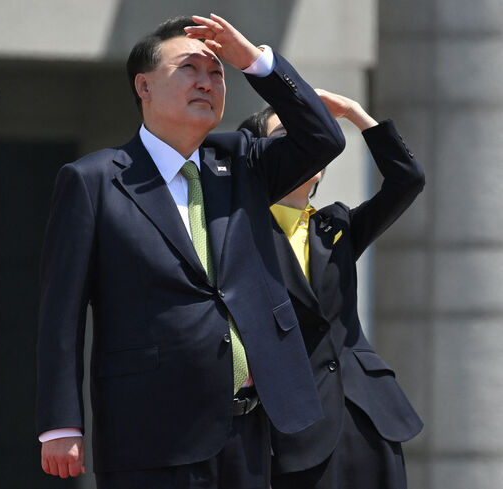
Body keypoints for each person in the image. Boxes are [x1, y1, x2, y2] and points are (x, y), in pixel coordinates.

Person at [36, 13, 345, 489]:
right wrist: (61, 423)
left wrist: (254, 61)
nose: (206, 82)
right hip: (150, 432)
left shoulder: (244, 162)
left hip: (249, 429)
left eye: (216, 73)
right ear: (144, 86)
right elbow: (62, 311)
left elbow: (324, 137)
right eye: (189, 70)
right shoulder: (93, 180)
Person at [237, 91, 424, 489]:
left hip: (370, 416)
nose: (304, 142)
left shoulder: (335, 225)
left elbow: (407, 179)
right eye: (287, 133)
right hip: (295, 430)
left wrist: (355, 114)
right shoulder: (235, 233)